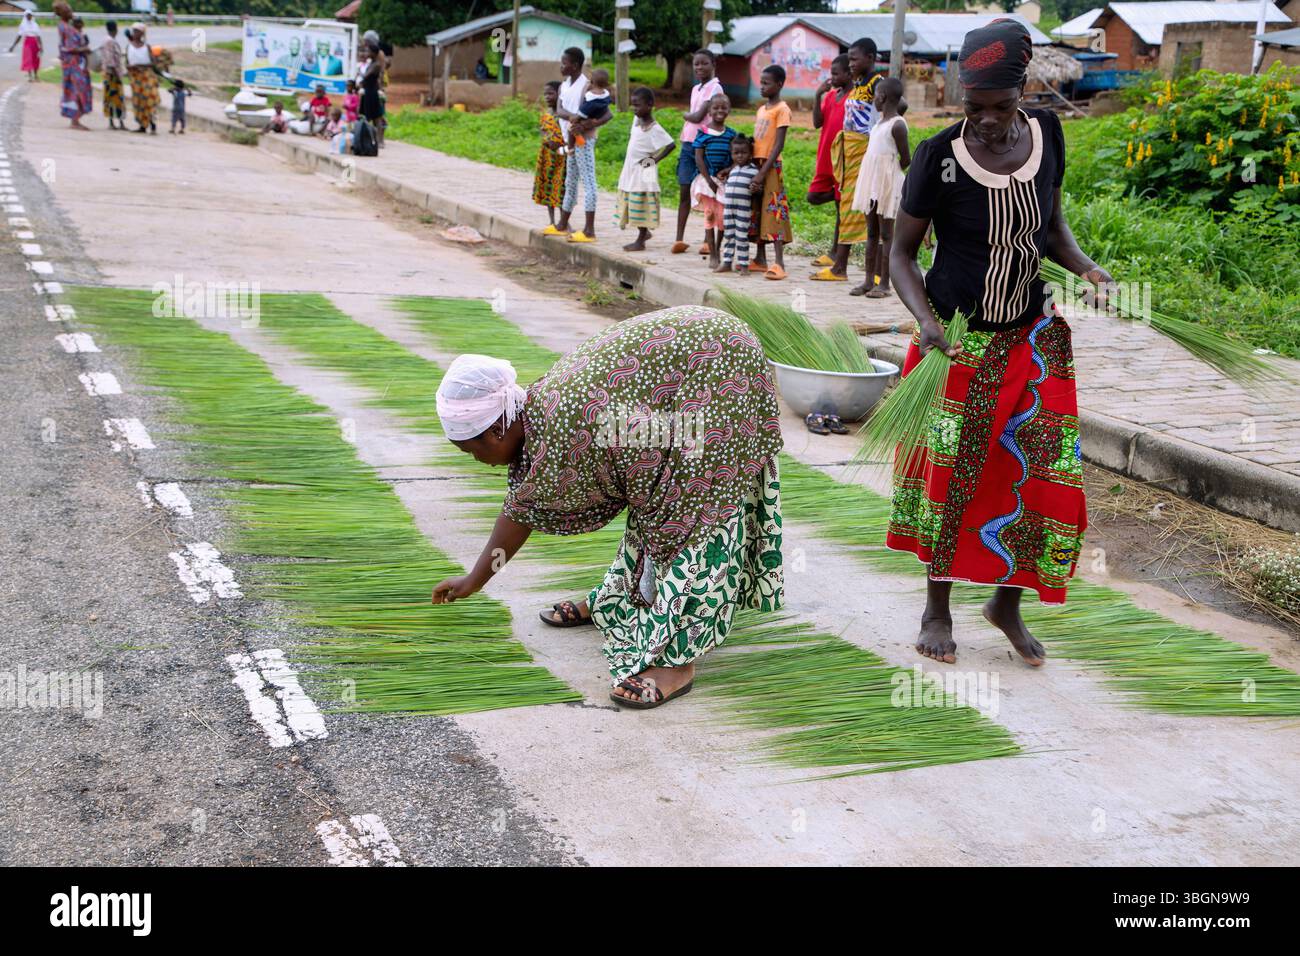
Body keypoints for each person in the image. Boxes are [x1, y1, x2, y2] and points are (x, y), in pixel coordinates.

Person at [888, 19, 1113, 667]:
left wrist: (1089, 269)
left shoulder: (1048, 132)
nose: (985, 120)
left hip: (1035, 342)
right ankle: (937, 607)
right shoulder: (937, 157)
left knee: (1042, 478)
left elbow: (1053, 227)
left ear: (1023, 89)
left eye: (999, 106)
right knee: (955, 480)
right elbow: (902, 256)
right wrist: (926, 320)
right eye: (973, 106)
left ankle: (1006, 603)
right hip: (960, 343)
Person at [429, 305, 785, 709]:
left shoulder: (563, 433)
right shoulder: (538, 412)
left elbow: (522, 511)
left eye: (471, 450)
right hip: (689, 369)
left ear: (496, 429)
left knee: (691, 515)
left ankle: (677, 663)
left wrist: (475, 579)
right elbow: (525, 506)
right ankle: (620, 600)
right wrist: (474, 580)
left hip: (720, 369)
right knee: (652, 495)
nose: (475, 460)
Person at [851, 76, 910, 297]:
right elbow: (900, 103)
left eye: (876, 95)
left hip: (888, 183)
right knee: (872, 233)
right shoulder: (879, 123)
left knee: (887, 234)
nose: (874, 99)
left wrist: (889, 172)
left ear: (882, 97)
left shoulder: (897, 125)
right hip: (872, 184)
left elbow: (906, 159)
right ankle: (868, 281)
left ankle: (885, 284)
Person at [828, 39, 879, 287]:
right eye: (849, 59)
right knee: (849, 203)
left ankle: (863, 270)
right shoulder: (859, 84)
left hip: (864, 151)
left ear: (870, 57)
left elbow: (896, 106)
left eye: (854, 59)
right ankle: (841, 265)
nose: (851, 64)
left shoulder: (876, 84)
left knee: (868, 206)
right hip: (849, 151)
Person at [548, 47, 611, 244]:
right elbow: (559, 110)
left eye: (564, 63)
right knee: (571, 182)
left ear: (575, 65)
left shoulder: (588, 86)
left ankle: (589, 230)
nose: (561, 66)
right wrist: (573, 117)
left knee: (589, 182)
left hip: (583, 140)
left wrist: (589, 123)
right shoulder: (564, 85)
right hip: (571, 140)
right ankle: (562, 224)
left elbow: (606, 113)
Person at [671, 50, 723, 255]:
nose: (699, 68)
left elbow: (698, 116)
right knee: (684, 190)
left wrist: (685, 115)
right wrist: (688, 118)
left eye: (704, 64)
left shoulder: (715, 87)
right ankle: (679, 239)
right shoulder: (696, 88)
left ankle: (707, 240)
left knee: (708, 193)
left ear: (713, 65)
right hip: (687, 144)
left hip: (706, 145)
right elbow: (693, 117)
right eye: (696, 64)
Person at [807, 54, 852, 279]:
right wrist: (818, 96)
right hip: (826, 158)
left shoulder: (853, 97)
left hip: (843, 159)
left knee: (840, 208)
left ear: (848, 73)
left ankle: (835, 253)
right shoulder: (831, 96)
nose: (832, 77)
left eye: (836, 73)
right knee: (813, 196)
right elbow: (817, 123)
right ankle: (835, 252)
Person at [615, 87, 675, 252]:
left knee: (642, 201)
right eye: (633, 105)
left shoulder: (654, 128)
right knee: (633, 199)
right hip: (631, 169)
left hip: (645, 169)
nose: (634, 109)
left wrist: (654, 159)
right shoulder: (637, 121)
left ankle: (641, 240)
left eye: (637, 105)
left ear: (649, 105)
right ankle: (644, 233)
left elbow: (671, 145)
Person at [748, 65, 792, 281]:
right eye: (761, 82)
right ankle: (760, 258)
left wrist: (763, 173)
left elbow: (778, 145)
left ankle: (779, 262)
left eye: (767, 83)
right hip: (757, 164)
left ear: (780, 84)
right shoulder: (761, 109)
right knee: (756, 209)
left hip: (771, 166)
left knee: (774, 210)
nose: (762, 86)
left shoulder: (782, 109)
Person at [689, 94, 737, 269]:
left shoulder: (731, 134)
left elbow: (736, 156)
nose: (720, 111)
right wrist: (709, 180)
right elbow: (699, 158)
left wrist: (729, 169)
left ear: (729, 110)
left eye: (723, 108)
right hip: (706, 180)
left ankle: (717, 247)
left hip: (723, 181)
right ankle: (713, 255)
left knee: (723, 217)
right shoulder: (703, 132)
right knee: (709, 214)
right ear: (709, 111)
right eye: (716, 108)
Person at [715, 134, 759, 276]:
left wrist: (757, 190)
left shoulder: (754, 171)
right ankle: (727, 262)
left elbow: (757, 191)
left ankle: (744, 265)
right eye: (736, 153)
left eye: (744, 152)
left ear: (750, 154)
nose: (740, 156)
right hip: (729, 209)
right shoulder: (732, 171)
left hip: (743, 209)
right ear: (732, 154)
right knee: (729, 234)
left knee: (741, 236)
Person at [533, 81, 567, 229]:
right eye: (545, 94)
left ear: (559, 94)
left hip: (561, 157)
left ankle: (563, 221)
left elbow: (567, 135)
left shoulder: (564, 115)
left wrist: (559, 144)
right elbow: (543, 131)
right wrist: (548, 140)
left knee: (561, 189)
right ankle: (552, 221)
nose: (547, 97)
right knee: (547, 187)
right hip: (547, 157)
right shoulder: (546, 114)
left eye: (551, 93)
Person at [54, 2, 92, 130]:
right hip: (73, 64)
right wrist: (84, 49)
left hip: (72, 63)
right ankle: (75, 121)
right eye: (69, 11)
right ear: (63, 13)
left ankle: (75, 119)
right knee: (77, 90)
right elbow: (71, 48)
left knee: (75, 89)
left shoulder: (64, 26)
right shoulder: (67, 28)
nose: (72, 12)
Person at [564, 67, 610, 153]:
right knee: (577, 130)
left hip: (585, 115)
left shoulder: (591, 95)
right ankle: (577, 141)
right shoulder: (605, 94)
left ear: (592, 82)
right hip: (596, 117)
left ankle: (570, 148)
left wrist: (576, 117)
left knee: (571, 127)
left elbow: (585, 108)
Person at [125, 24, 159, 134]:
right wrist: (130, 67)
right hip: (135, 78)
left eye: (138, 32)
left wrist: (140, 65)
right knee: (138, 101)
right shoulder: (129, 46)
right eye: (134, 31)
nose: (135, 34)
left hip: (147, 76)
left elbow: (153, 63)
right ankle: (142, 125)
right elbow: (127, 63)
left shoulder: (146, 46)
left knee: (149, 99)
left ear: (142, 34)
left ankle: (152, 124)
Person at [100, 21, 125, 130]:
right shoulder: (111, 42)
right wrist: (117, 74)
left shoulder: (105, 40)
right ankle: (119, 122)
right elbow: (111, 61)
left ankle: (112, 122)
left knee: (109, 98)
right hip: (112, 75)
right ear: (115, 29)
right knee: (117, 98)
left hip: (107, 74)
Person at [9, 11, 42, 83]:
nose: (29, 17)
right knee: (28, 59)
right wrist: (13, 46)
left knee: (35, 59)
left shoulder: (35, 24)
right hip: (27, 43)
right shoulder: (23, 25)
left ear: (32, 16)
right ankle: (30, 76)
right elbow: (19, 36)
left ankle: (36, 75)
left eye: (30, 15)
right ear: (25, 16)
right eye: (27, 15)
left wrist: (41, 46)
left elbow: (38, 36)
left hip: (35, 43)